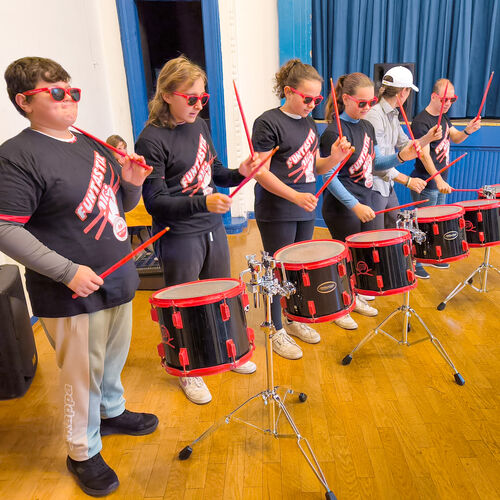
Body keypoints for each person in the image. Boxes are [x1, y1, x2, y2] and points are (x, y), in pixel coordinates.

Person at [0, 56, 157, 497]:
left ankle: (111, 412)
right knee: (79, 376)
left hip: (117, 279)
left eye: (73, 91)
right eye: (56, 92)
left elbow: (118, 207)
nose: (69, 99)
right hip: (71, 292)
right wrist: (67, 272)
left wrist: (132, 183)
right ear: (24, 101)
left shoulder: (89, 142)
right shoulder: (16, 156)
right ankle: (81, 452)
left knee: (109, 365)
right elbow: (5, 226)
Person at [135, 56, 259, 405]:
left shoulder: (200, 126)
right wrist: (202, 204)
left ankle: (224, 352)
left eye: (202, 97)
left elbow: (214, 171)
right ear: (167, 95)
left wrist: (240, 172)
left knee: (221, 294)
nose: (197, 104)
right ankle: (186, 370)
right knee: (182, 303)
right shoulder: (151, 139)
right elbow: (155, 200)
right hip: (179, 233)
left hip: (210, 226)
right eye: (190, 98)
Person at [250, 59, 352, 360]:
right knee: (277, 270)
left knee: (299, 269)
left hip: (304, 205)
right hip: (277, 208)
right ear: (288, 92)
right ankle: (276, 327)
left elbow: (313, 168)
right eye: (307, 98)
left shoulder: (309, 123)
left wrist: (333, 158)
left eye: (317, 99)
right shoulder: (267, 122)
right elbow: (261, 172)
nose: (312, 104)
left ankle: (294, 318)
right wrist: (295, 197)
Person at [320, 72, 420, 330]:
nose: (367, 108)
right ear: (345, 99)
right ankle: (340, 307)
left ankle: (353, 298)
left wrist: (400, 156)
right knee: (344, 260)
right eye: (361, 103)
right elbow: (328, 176)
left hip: (367, 199)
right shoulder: (333, 132)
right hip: (344, 207)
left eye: (370, 102)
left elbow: (373, 164)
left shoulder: (366, 126)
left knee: (361, 257)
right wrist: (354, 204)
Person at [410, 78, 481, 278]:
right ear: (434, 96)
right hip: (426, 182)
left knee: (437, 223)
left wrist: (468, 129)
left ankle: (430, 257)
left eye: (452, 99)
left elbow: (456, 137)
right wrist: (439, 179)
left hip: (439, 183)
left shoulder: (444, 119)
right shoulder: (421, 121)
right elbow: (423, 155)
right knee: (421, 226)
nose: (448, 103)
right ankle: (415, 262)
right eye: (444, 99)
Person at [365, 66, 440, 227]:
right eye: (408, 92)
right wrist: (407, 181)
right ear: (403, 92)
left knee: (396, 232)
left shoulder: (392, 114)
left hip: (387, 186)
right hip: (373, 188)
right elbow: (376, 163)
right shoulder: (374, 115)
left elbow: (406, 144)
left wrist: (428, 137)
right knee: (375, 240)